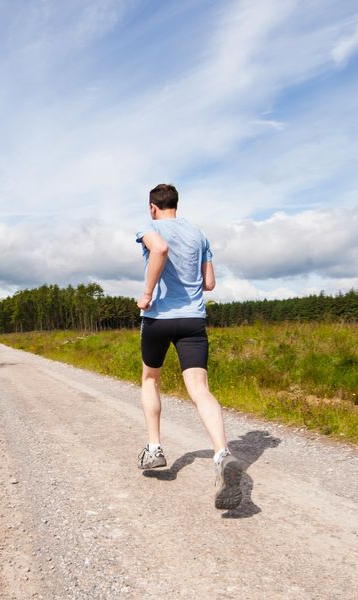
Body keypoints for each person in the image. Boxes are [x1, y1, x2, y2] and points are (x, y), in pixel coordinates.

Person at [134, 183, 239, 510]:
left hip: (158, 318)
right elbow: (209, 283)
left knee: (151, 378)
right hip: (193, 320)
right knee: (200, 389)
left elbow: (160, 249)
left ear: (153, 207)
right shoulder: (198, 234)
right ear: (175, 205)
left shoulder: (149, 227)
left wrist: (148, 293)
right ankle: (222, 453)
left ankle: (154, 448)